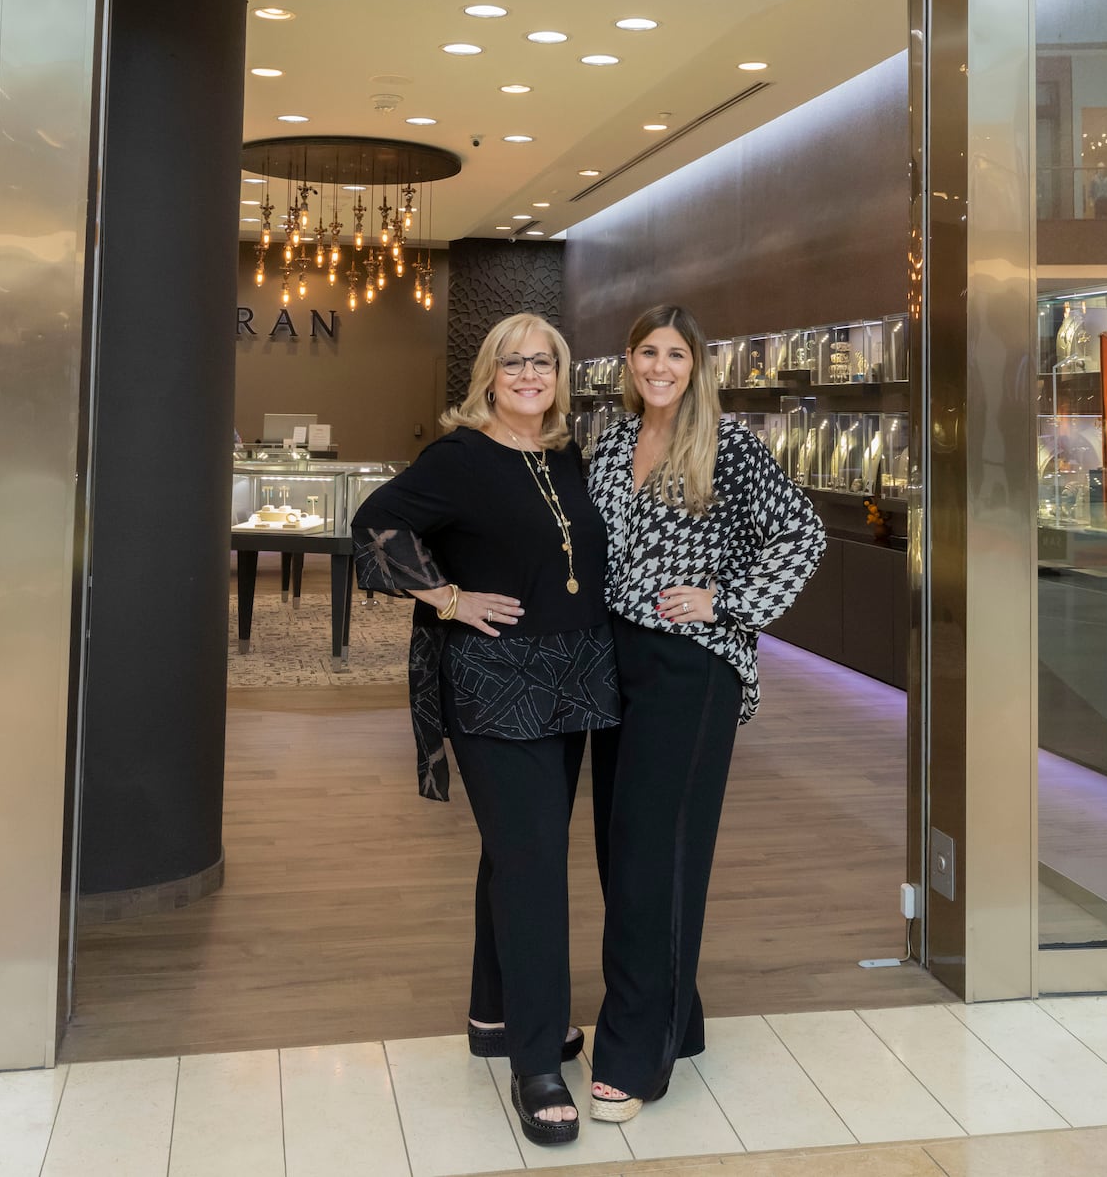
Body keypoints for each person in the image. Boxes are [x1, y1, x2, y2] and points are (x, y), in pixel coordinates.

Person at [349, 313, 616, 1148]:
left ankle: (496, 1016)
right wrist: (449, 598)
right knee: (536, 861)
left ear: (560, 372)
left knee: (517, 851)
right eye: (513, 361)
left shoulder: (572, 455)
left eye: (543, 361)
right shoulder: (460, 458)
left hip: (574, 677)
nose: (529, 373)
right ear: (489, 375)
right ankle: (538, 1063)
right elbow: (371, 529)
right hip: (494, 683)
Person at [584, 304, 825, 1122]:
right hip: (614, 664)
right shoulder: (611, 443)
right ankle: (675, 1022)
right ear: (629, 361)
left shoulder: (731, 445)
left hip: (692, 666)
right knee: (623, 851)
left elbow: (803, 534)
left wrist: (728, 602)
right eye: (647, 352)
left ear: (697, 366)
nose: (660, 366)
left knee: (658, 854)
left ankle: (634, 1056)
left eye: (675, 354)